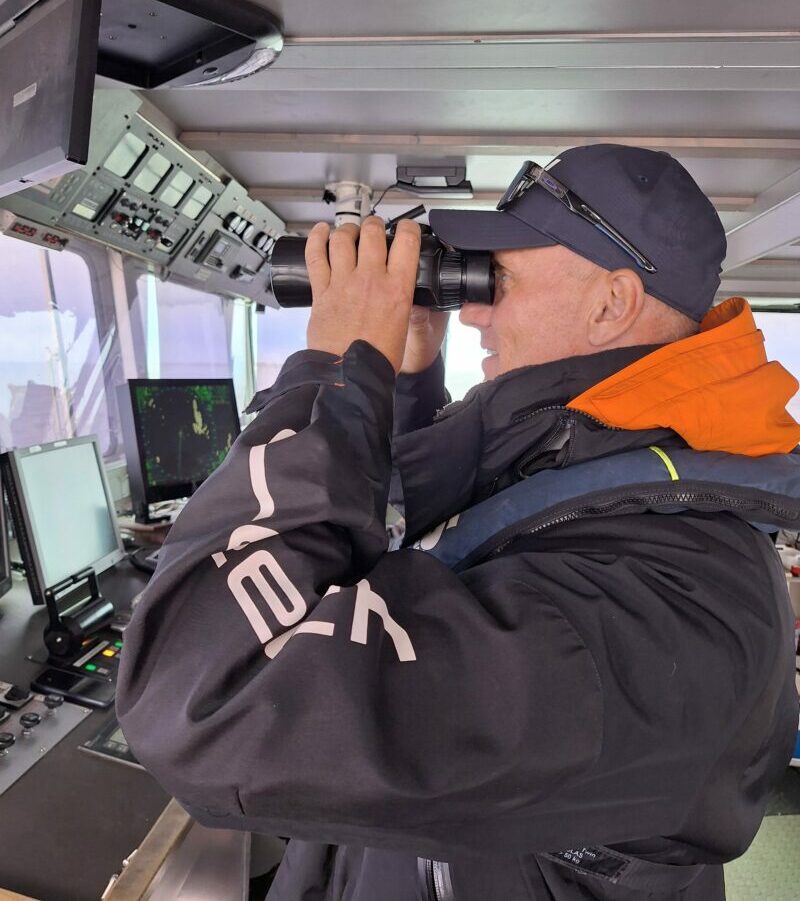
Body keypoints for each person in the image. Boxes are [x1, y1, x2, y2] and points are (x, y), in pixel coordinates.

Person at [117, 144, 800, 901]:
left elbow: (208, 692)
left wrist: (332, 369)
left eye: (496, 278)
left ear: (612, 302)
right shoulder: (585, 449)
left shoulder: (682, 609)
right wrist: (404, 379)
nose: (471, 309)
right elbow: (433, 523)